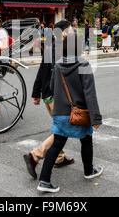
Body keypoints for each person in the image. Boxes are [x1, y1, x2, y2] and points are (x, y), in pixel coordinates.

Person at [37, 29, 103, 194]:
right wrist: (95, 118)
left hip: (60, 111)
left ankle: (44, 180)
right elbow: (90, 93)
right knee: (86, 139)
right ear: (79, 47)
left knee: (57, 144)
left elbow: (52, 87)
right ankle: (89, 171)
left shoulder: (58, 64)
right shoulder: (83, 64)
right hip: (79, 110)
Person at [24, 20, 75, 180]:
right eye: (72, 30)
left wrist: (36, 93)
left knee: (58, 127)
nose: (74, 33)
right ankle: (35, 155)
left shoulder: (50, 48)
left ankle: (59, 158)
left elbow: (41, 71)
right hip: (57, 96)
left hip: (47, 95)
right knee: (63, 129)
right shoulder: (64, 49)